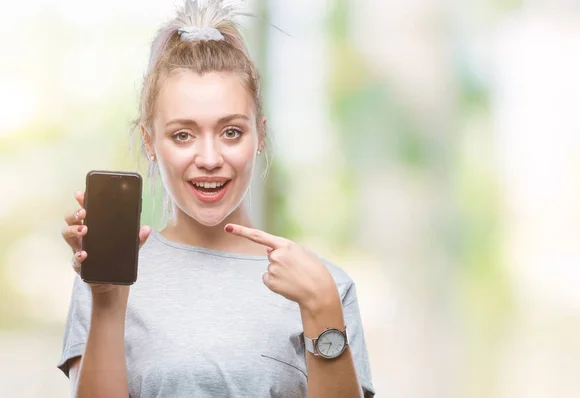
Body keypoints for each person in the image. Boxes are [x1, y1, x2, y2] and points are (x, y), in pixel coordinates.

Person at [56, 1, 375, 397]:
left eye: (231, 132)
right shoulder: (106, 274)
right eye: (183, 135)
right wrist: (106, 302)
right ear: (150, 142)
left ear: (259, 135)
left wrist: (321, 307)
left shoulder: (325, 285)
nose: (209, 160)